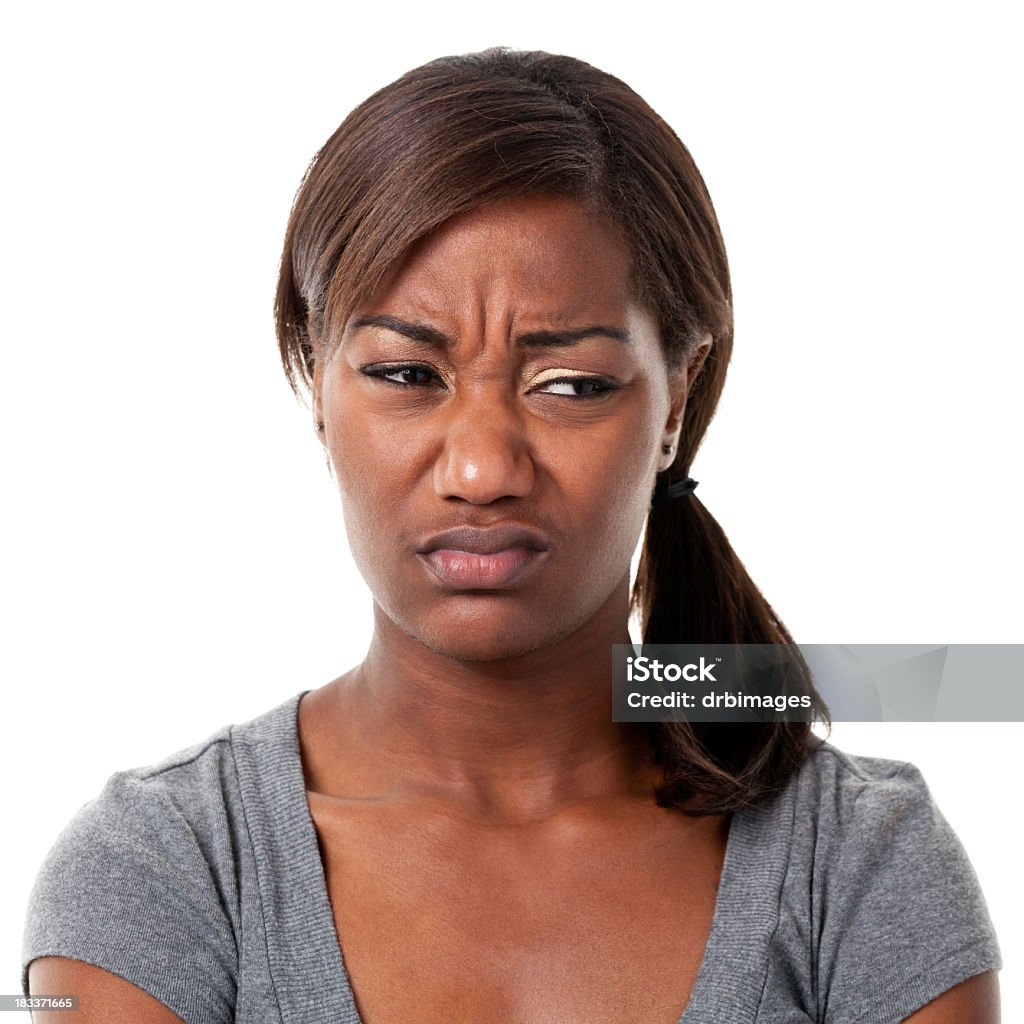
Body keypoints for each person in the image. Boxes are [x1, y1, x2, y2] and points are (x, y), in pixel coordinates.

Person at [22, 48, 1000, 1023]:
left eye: (569, 385)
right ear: (314, 375)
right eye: (407, 375)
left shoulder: (864, 865)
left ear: (676, 401)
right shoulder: (163, 871)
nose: (482, 469)